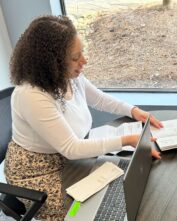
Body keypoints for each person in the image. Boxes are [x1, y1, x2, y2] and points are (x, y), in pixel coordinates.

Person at [5, 15, 162, 220]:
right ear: (52, 63)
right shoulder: (31, 95)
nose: (84, 61)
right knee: (86, 213)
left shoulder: (66, 76)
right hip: (38, 172)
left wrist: (132, 110)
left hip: (72, 158)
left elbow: (99, 99)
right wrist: (127, 140)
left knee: (118, 190)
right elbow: (72, 148)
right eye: (75, 57)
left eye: (82, 53)